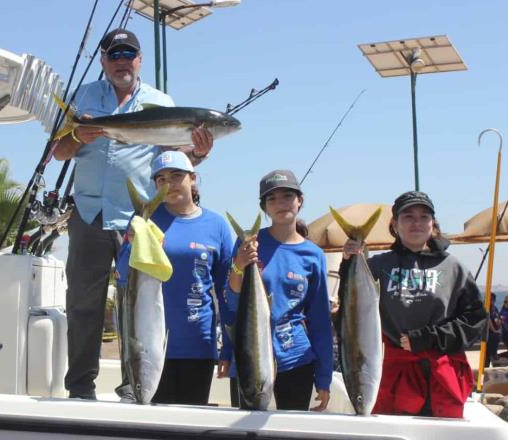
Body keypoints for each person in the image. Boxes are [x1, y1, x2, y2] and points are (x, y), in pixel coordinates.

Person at [52, 28, 214, 400]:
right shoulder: (83, 96)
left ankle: (135, 386)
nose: (122, 60)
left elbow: (174, 158)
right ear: (103, 60)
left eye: (129, 53)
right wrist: (80, 136)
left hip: (138, 221)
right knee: (82, 305)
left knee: (139, 304)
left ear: (140, 59)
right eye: (114, 54)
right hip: (89, 214)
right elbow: (58, 152)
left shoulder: (159, 101)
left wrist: (199, 154)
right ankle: (80, 389)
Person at [341, 191, 487, 418]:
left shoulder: (454, 267)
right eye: (408, 216)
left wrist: (428, 338)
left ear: (433, 224)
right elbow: (354, 314)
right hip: (395, 378)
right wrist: (348, 263)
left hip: (442, 376)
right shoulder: (376, 265)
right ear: (395, 224)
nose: (417, 222)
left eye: (424, 217)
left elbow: (475, 321)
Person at [115, 151, 233, 405]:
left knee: (189, 424)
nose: (168, 184)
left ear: (193, 179)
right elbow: (123, 277)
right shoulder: (144, 222)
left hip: (199, 344)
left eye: (177, 176)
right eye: (161, 179)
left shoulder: (217, 226)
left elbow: (226, 292)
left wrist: (229, 345)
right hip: (149, 347)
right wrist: (132, 243)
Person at [221, 170, 332, 411]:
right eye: (272, 199)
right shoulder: (248, 244)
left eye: (287, 196)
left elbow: (320, 319)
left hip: (295, 359)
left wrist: (324, 376)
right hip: (249, 357)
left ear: (300, 200)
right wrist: (239, 266)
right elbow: (231, 302)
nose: (281, 203)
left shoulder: (313, 255)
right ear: (264, 208)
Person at [485, 294, 502, 368]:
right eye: (490, 299)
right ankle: (493, 355)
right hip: (486, 332)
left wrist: (499, 322)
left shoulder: (494, 308)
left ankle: (493, 358)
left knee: (488, 352)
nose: (491, 301)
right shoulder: (485, 307)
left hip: (494, 331)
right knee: (494, 337)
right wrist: (494, 330)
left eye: (492, 299)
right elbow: (488, 320)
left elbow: (497, 319)